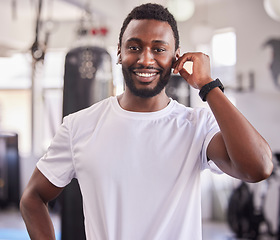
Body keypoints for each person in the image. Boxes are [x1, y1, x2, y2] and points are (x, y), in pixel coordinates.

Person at [20, 3, 273, 239]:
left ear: (176, 58)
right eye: (134, 47)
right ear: (119, 53)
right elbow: (33, 197)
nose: (145, 59)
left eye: (159, 49)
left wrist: (208, 86)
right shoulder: (79, 126)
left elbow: (259, 167)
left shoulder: (198, 125)